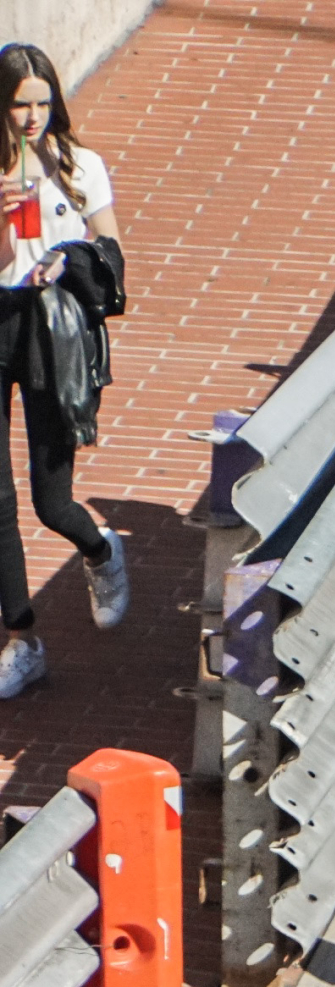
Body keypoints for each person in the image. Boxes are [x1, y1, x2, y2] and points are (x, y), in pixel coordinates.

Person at [0, 41, 128, 701]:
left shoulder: (80, 167)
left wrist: (69, 256)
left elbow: (112, 258)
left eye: (43, 103)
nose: (32, 117)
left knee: (51, 501)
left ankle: (100, 549)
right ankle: (22, 639)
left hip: (50, 336)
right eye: (19, 104)